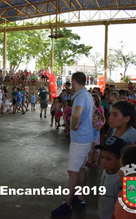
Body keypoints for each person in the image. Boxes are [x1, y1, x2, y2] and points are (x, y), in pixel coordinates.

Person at [51, 72, 94, 216]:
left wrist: (73, 125)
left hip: (80, 140)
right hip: (86, 138)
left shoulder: (81, 96)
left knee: (73, 171)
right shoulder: (87, 95)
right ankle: (80, 197)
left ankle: (67, 203)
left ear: (74, 82)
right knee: (80, 169)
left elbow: (76, 113)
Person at [95, 136, 127, 219]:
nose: (103, 161)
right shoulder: (106, 170)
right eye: (102, 157)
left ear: (120, 160)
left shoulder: (121, 179)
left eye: (108, 159)